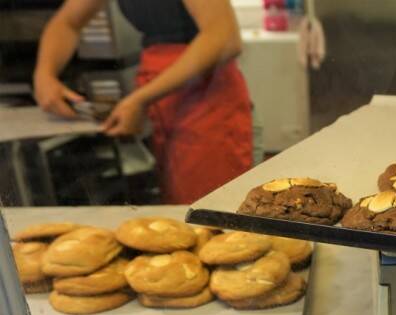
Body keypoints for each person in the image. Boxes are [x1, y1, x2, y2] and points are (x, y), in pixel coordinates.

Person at [34, 0, 253, 204]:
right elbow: (67, 22)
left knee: (213, 210)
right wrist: (44, 74)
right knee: (176, 210)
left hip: (207, 99)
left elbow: (224, 38)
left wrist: (140, 99)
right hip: (162, 98)